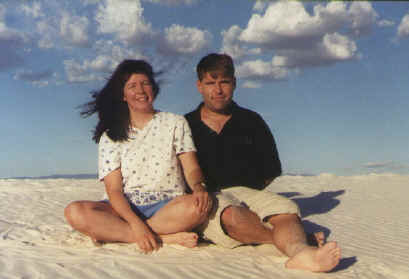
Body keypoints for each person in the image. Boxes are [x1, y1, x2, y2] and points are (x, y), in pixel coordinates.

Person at [185, 53, 341, 272]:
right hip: (209, 198)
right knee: (232, 216)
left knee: (286, 210)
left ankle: (301, 253)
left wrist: (251, 194)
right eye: (210, 83)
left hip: (249, 193)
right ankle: (297, 241)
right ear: (199, 86)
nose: (218, 90)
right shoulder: (185, 125)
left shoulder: (252, 121)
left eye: (224, 82)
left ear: (234, 83)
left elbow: (270, 170)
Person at [64, 59, 212, 253]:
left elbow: (191, 167)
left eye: (145, 83)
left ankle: (119, 234)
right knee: (74, 212)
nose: (140, 91)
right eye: (132, 86)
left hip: (168, 205)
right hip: (123, 208)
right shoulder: (110, 136)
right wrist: (135, 223)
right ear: (123, 95)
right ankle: (162, 238)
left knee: (197, 206)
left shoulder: (175, 122)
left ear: (153, 88)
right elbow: (114, 190)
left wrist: (198, 187)